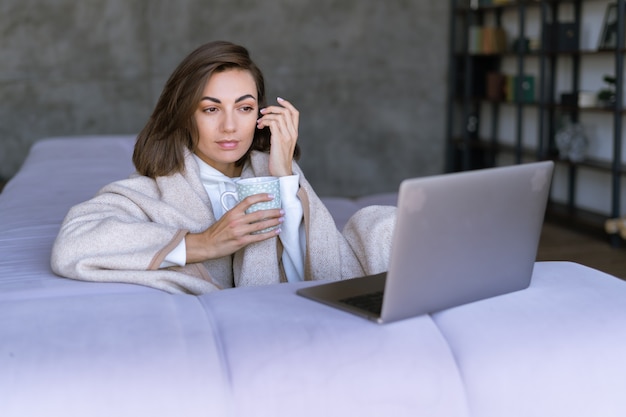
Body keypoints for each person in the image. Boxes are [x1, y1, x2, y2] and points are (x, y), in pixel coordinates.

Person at [51, 41, 395, 294]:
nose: (230, 127)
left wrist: (283, 176)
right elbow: (73, 244)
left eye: (244, 108)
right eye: (211, 109)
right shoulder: (151, 192)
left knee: (385, 225)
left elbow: (318, 271)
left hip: (306, 318)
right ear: (185, 115)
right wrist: (204, 243)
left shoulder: (276, 173)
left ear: (259, 114)